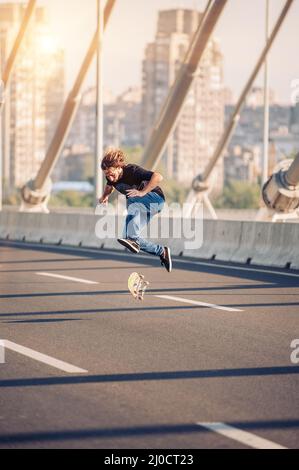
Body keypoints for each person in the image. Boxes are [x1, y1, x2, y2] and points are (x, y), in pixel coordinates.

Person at [99, 148, 172, 272]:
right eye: (107, 175)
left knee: (132, 197)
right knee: (129, 236)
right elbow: (109, 187)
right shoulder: (110, 178)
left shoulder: (132, 170)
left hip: (156, 200)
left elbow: (158, 177)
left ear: (118, 167)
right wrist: (105, 196)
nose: (110, 178)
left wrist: (142, 192)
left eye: (112, 174)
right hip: (142, 207)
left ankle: (133, 240)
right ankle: (162, 252)